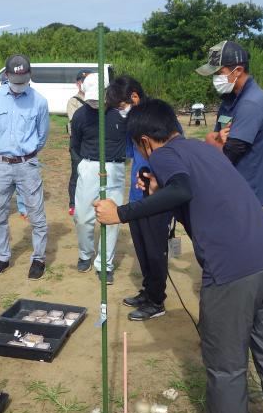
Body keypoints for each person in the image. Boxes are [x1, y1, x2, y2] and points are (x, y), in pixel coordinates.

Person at [94, 99, 263, 413]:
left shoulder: (161, 154)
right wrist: (160, 191)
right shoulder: (202, 151)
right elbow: (196, 193)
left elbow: (182, 188)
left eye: (139, 148)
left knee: (227, 370)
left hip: (233, 274)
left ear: (145, 141)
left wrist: (121, 212)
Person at [116, 75, 181, 321]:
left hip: (157, 196)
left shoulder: (159, 118)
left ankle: (157, 301)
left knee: (156, 250)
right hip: (136, 196)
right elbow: (127, 151)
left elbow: (175, 149)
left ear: (133, 96)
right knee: (142, 248)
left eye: (121, 105)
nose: (120, 111)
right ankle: (148, 291)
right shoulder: (132, 123)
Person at [0, 54, 50, 280]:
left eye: (23, 81)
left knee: (36, 214)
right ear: (6, 76)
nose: (19, 86)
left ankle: (38, 258)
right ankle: (3, 257)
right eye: (15, 81)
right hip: (1, 165)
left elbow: (42, 136)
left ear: (29, 76)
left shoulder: (40, 102)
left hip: (27, 165)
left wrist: (26, 152)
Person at [197, 40, 263, 206]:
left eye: (219, 72)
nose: (215, 78)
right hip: (231, 186)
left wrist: (211, 140)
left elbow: (229, 154)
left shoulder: (250, 103)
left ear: (238, 70)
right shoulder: (230, 99)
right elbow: (217, 138)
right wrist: (214, 139)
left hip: (246, 192)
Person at [70, 72, 126, 285]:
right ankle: (85, 254)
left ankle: (105, 265)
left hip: (114, 168)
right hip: (89, 165)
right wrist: (84, 167)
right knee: (83, 217)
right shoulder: (80, 115)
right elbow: (75, 144)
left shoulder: (120, 113)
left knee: (112, 219)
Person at [65, 69, 92, 216]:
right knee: (77, 173)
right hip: (77, 144)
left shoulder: (101, 101)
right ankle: (73, 203)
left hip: (93, 144)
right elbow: (75, 123)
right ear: (78, 84)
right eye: (84, 82)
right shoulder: (73, 101)